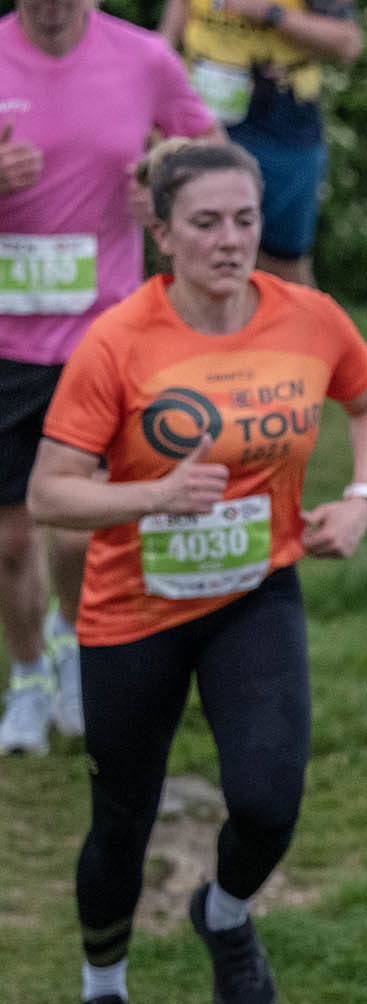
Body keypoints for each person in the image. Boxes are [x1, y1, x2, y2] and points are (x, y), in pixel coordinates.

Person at [28, 139, 367, 1004]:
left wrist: (362, 499)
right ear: (161, 233)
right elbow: (49, 494)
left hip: (253, 594)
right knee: (123, 821)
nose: (231, 240)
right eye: (205, 223)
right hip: (132, 609)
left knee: (269, 803)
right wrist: (152, 496)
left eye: (244, 219)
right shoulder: (118, 341)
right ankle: (102, 993)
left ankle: (224, 912)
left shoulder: (308, 316)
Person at [0, 0, 220, 757]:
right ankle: (27, 674)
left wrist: (166, 181)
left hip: (102, 334)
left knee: (75, 529)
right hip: (5, 341)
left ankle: (69, 638)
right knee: (10, 542)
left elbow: (211, 155)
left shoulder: (145, 59)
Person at [160, 0, 364, 288]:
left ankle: (295, 318)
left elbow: (347, 43)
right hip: (201, 108)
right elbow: (169, 33)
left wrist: (271, 13)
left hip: (282, 117)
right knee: (189, 248)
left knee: (281, 264)